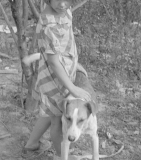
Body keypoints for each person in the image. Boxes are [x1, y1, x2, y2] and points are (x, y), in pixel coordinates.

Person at [22, 0, 91, 159]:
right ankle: (62, 156)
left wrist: (74, 63)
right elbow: (53, 61)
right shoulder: (50, 26)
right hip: (54, 80)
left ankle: (31, 144)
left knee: (50, 114)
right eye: (57, 0)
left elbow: (66, 43)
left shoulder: (64, 10)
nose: (62, 4)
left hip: (64, 71)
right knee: (57, 122)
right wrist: (73, 88)